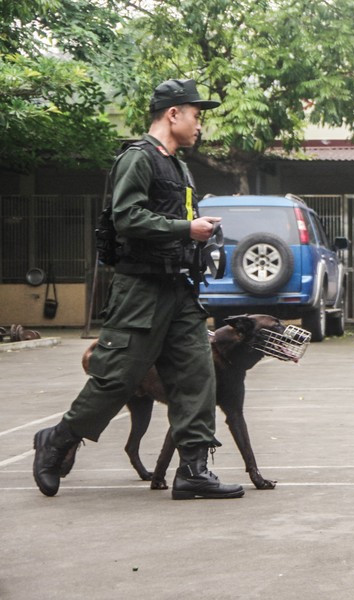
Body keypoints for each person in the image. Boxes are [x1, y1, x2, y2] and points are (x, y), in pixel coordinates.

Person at [33, 78, 245, 499]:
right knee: (116, 377)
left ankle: (193, 471)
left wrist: (198, 238)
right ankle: (56, 440)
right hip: (140, 289)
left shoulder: (179, 166)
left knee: (197, 373)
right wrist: (188, 228)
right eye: (196, 115)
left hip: (177, 287)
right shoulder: (139, 159)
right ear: (173, 114)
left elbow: (178, 224)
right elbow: (127, 218)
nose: (200, 125)